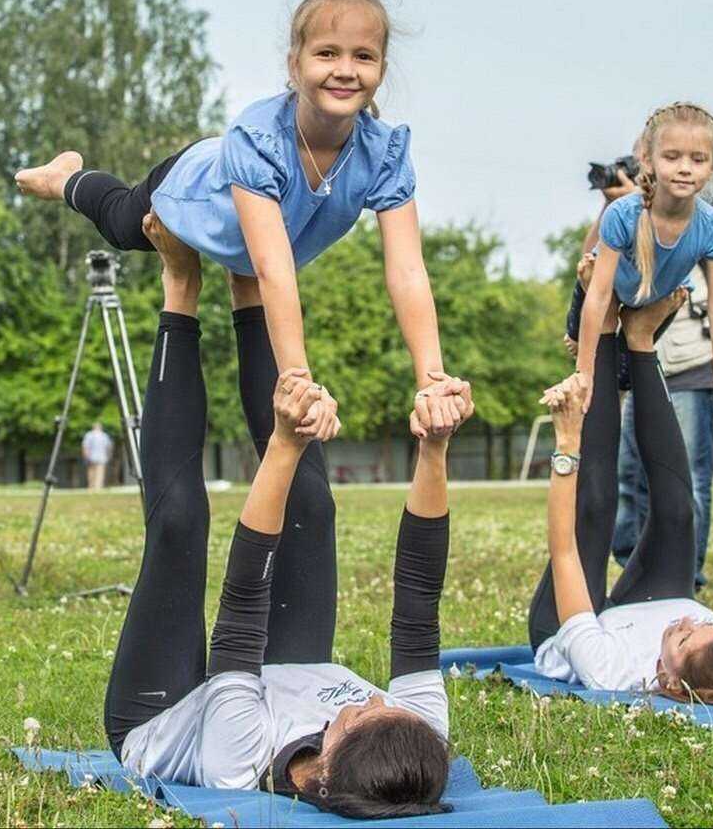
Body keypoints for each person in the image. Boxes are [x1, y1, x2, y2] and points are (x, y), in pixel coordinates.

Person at [101, 221, 472, 818]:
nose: (380, 701)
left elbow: (242, 608)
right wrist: (435, 447)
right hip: (284, 675)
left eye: (366, 715)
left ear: (323, 767)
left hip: (161, 713)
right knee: (313, 508)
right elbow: (418, 607)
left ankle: (180, 285)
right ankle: (249, 283)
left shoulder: (238, 759)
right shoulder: (416, 736)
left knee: (180, 525)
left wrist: (284, 441)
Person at [16, 0, 466, 445]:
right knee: (123, 224)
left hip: (261, 244)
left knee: (249, 288)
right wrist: (300, 381)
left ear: (381, 69)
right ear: (295, 64)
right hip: (197, 185)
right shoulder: (259, 137)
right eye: (327, 53)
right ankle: (64, 178)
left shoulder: (384, 152)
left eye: (363, 56)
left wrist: (432, 379)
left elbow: (408, 271)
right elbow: (274, 269)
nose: (345, 70)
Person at [528, 293, 713, 700]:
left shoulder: (610, 669)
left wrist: (567, 441)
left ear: (667, 679)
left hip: (569, 623)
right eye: (705, 624)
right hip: (646, 599)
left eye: (684, 640)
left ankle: (602, 327)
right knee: (679, 513)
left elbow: (565, 550)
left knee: (596, 509)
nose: (685, 622)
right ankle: (640, 339)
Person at [567, 102, 713, 416]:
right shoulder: (623, 213)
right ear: (647, 159)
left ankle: (623, 349)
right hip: (604, 292)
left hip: (653, 302)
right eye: (672, 157)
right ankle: (577, 340)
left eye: (698, 159)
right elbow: (599, 294)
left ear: (712, 166)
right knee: (596, 374)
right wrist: (584, 371)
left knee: (628, 378)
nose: (685, 168)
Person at [614, 262, 713, 589]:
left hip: (689, 367)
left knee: (688, 480)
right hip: (642, 365)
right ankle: (637, 573)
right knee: (630, 475)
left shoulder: (702, 234)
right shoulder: (624, 233)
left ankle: (685, 577)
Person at [81, 421, 113, 491]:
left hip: (93, 456)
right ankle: (97, 487)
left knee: (92, 471)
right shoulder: (104, 435)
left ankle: (92, 486)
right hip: (100, 456)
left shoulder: (89, 435)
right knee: (99, 472)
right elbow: (109, 446)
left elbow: (85, 446)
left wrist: (85, 455)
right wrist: (109, 455)